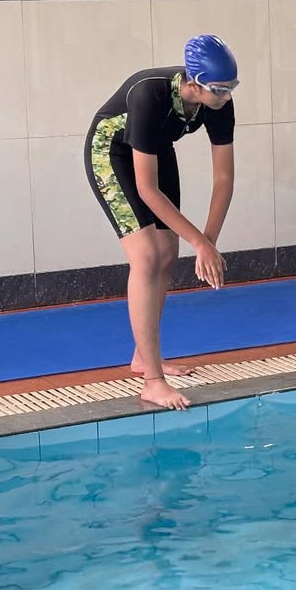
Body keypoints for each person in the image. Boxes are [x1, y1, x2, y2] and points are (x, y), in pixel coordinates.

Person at [85, 34, 238, 410]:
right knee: (147, 256)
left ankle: (143, 357)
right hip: (110, 152)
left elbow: (224, 178)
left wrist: (208, 242)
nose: (226, 96)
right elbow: (147, 189)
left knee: (168, 253)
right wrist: (199, 243)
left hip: (155, 149)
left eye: (232, 88)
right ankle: (153, 382)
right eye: (220, 90)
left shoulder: (219, 104)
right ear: (195, 83)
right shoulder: (149, 94)